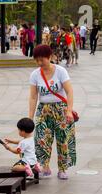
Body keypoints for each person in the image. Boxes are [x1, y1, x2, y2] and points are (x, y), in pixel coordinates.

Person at [29, 45, 76, 180]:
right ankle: (45, 167)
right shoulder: (35, 74)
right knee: (42, 139)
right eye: (36, 60)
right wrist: (30, 117)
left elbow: (69, 91)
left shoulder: (61, 71)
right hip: (43, 110)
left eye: (42, 60)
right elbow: (33, 97)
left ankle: (62, 169)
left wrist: (69, 111)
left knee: (62, 139)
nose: (39, 63)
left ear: (50, 57)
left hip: (60, 109)